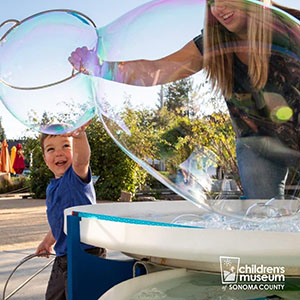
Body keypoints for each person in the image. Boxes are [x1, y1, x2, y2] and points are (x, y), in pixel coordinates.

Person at [69, 0, 300, 199]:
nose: (219, 7)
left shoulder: (289, 32)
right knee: (262, 217)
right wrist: (100, 67)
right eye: (212, 1)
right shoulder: (212, 42)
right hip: (256, 143)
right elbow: (157, 70)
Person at [35, 124, 106, 300]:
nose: (59, 152)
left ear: (74, 151)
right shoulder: (52, 187)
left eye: (66, 146)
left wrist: (80, 136)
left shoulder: (76, 177)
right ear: (45, 158)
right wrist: (47, 241)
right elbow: (60, 221)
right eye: (51, 149)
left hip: (86, 254)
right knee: (53, 296)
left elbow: (82, 160)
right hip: (63, 256)